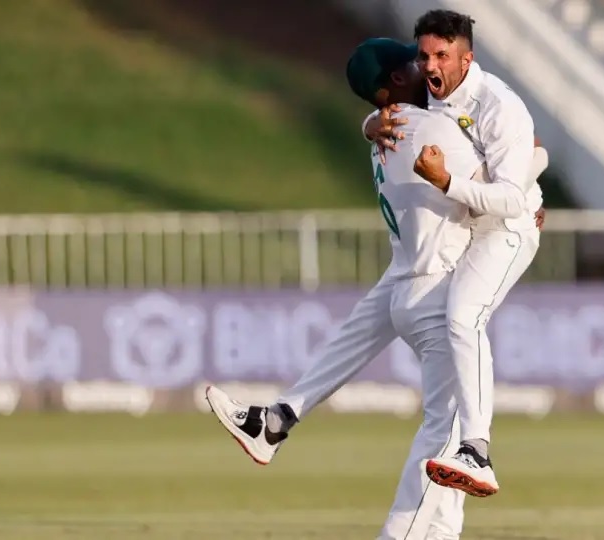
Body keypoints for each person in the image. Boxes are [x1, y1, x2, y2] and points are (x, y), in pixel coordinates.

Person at [205, 38, 550, 539]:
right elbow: (509, 181)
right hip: (436, 296)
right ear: (392, 85)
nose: (426, 67)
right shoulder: (432, 128)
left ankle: (279, 417)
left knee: (444, 457)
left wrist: (371, 121)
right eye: (414, 63)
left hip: (406, 285)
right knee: (445, 439)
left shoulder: (384, 137)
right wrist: (527, 192)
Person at [362, 10, 542, 498]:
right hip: (473, 228)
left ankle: (478, 452)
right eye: (424, 55)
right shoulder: (428, 90)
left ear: (467, 58)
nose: (430, 65)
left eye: (442, 55)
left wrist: (447, 182)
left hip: (509, 226)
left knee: (463, 316)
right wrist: (370, 124)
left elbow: (510, 198)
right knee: (443, 319)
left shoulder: (500, 106)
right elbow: (388, 110)